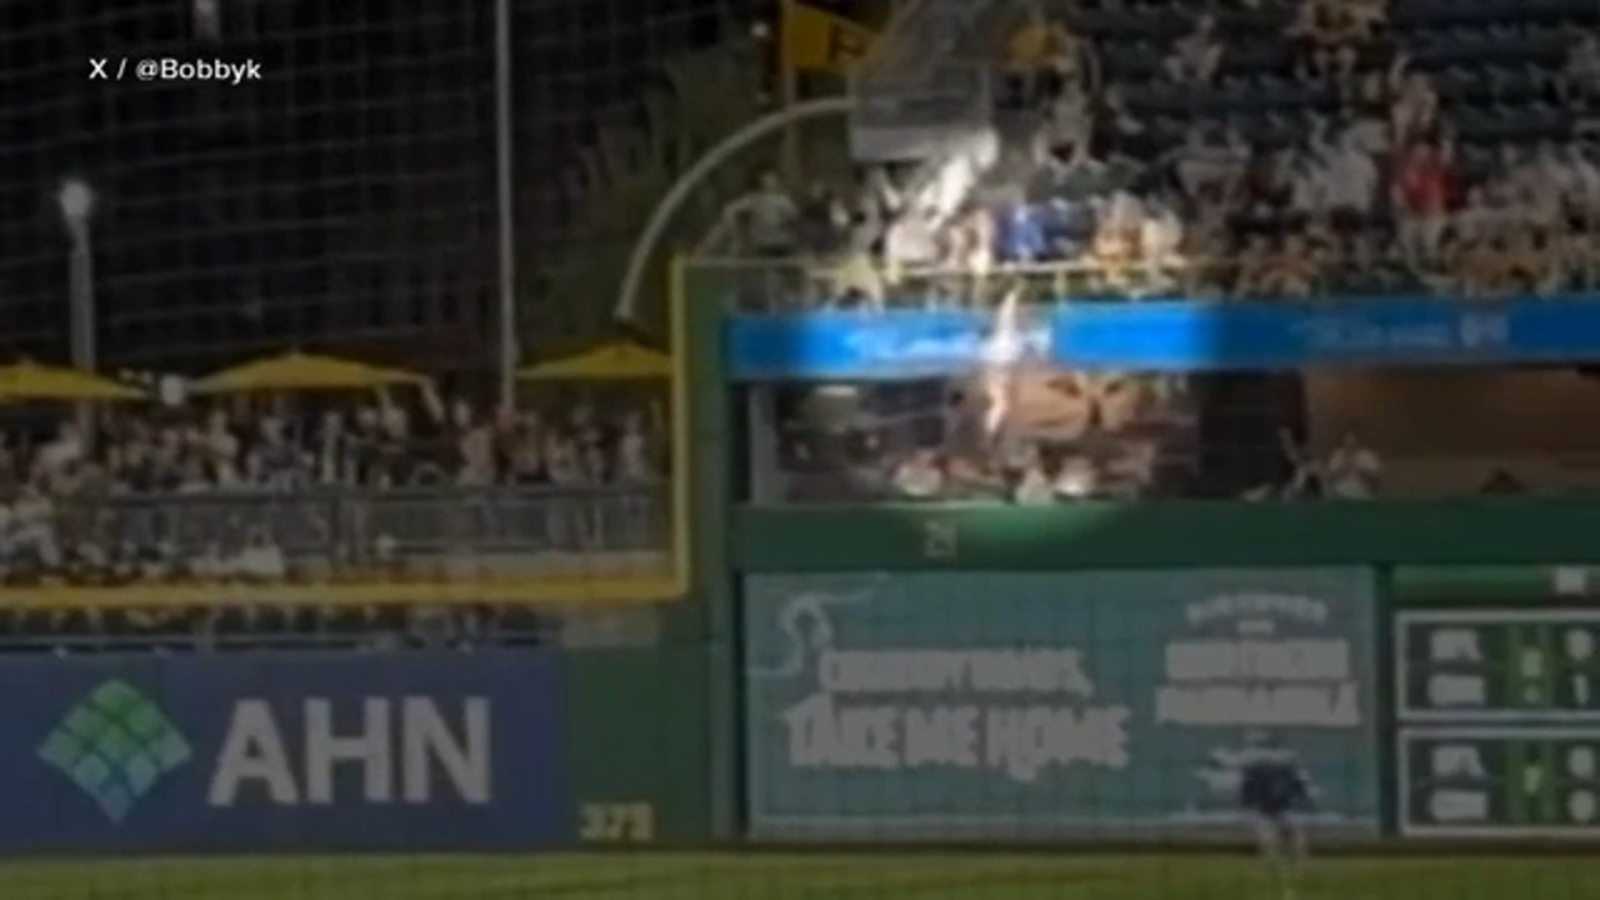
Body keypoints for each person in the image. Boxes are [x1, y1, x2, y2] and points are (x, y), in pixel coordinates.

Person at [1238, 731, 1313, 900]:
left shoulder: (1285, 767)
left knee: (1293, 839)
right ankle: (1276, 871)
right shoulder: (1257, 769)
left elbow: (1298, 787)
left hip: (1283, 807)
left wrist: (1300, 801)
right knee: (1270, 842)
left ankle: (1290, 871)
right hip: (1265, 810)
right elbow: (1247, 791)